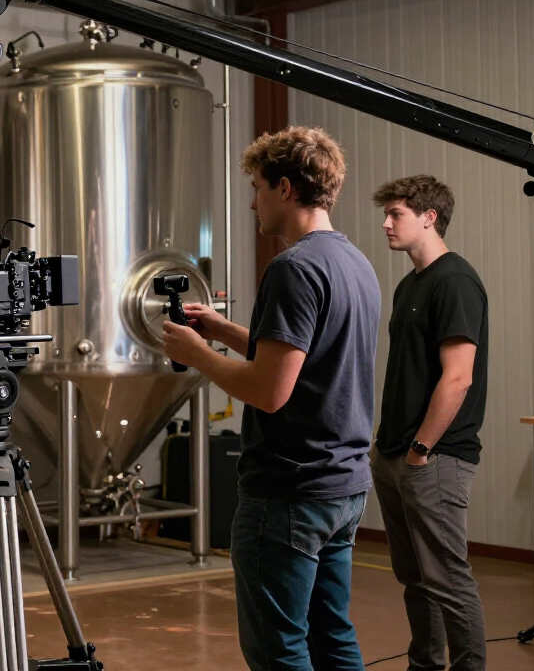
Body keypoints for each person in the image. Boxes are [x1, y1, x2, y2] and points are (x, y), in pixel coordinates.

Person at [164, 126, 380, 671]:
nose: (253, 202)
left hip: (289, 489)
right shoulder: (355, 264)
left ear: (285, 189)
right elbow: (306, 360)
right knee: (332, 637)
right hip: (343, 484)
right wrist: (223, 329)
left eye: (258, 187)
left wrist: (198, 356)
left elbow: (269, 390)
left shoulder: (293, 268)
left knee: (278, 648)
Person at [371, 175, 488, 671]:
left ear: (428, 216)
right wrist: (387, 449)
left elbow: (457, 378)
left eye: (395, 214)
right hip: (395, 454)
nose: (386, 224)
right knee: (415, 578)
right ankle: (424, 665)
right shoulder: (408, 284)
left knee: (447, 578)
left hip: (434, 457)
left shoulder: (455, 281)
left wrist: (421, 449)